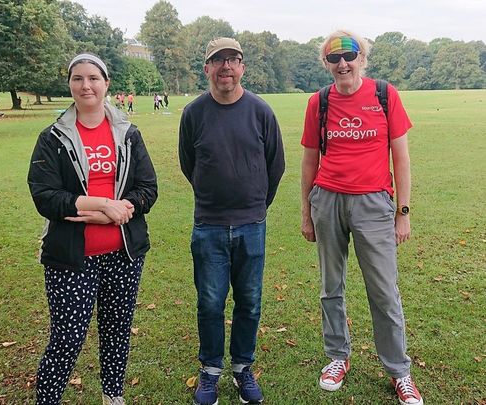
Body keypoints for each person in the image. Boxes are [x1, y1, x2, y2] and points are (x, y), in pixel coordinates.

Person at [300, 30, 423, 405]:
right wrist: (306, 212)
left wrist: (403, 212)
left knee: (384, 291)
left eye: (349, 56)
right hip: (328, 201)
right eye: (333, 59)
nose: (342, 64)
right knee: (330, 286)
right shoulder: (318, 102)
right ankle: (338, 356)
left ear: (362, 59)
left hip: (374, 204)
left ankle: (399, 370)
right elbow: (309, 162)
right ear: (326, 64)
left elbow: (400, 159)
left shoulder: (385, 95)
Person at [27, 53, 158, 405]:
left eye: (93, 78)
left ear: (106, 83)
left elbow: (147, 188)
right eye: (78, 78)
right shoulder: (54, 137)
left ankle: (113, 396)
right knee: (67, 338)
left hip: (124, 254)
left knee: (116, 333)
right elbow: (45, 196)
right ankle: (48, 399)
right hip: (71, 258)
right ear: (70, 84)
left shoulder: (128, 133)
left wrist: (118, 213)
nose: (86, 85)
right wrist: (101, 206)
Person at [179, 37, 285, 405]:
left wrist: (255, 205)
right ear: (206, 68)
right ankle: (210, 371)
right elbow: (188, 165)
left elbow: (276, 165)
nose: (226, 66)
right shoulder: (193, 114)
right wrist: (216, 199)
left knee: (250, 302)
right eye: (218, 60)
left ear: (243, 67)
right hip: (208, 225)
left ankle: (242, 368)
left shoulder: (261, 112)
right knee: (210, 302)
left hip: (251, 225)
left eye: (233, 59)